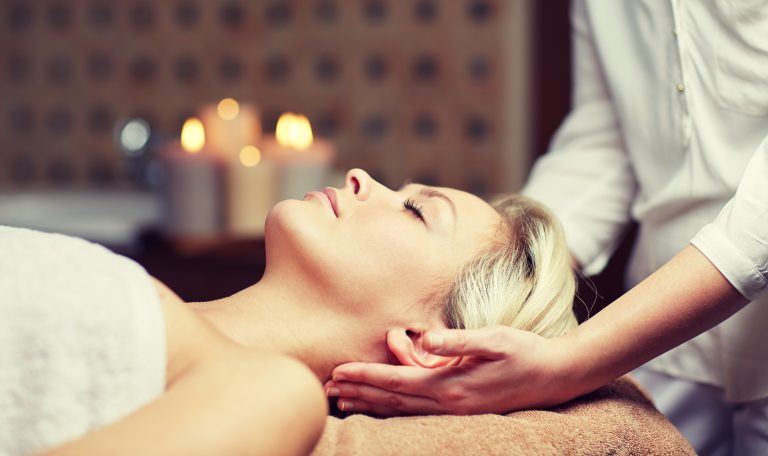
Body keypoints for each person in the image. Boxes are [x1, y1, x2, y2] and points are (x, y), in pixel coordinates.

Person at [325, 2, 768, 454]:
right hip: (669, 340)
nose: (358, 176)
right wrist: (501, 280)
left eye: (416, 211)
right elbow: (605, 140)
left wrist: (569, 362)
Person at [1, 168, 579, 456]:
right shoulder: (142, 297)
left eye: (416, 211)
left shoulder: (272, 391)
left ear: (429, 343)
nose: (360, 175)